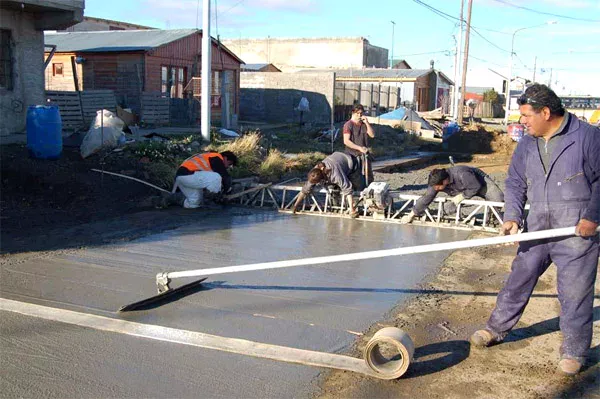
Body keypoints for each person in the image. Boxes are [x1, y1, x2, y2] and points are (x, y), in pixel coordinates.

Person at [469, 84, 600, 376]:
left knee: (575, 292)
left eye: (526, 115)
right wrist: (512, 216)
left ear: (546, 112)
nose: (522, 122)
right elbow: (515, 181)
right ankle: (496, 328)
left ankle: (574, 350)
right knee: (519, 279)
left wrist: (592, 217)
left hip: (576, 230)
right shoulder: (528, 143)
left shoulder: (588, 138)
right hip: (538, 225)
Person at [401, 166, 504, 224]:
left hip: (479, 183)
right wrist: (411, 214)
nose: (435, 189)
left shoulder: (462, 173)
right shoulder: (436, 181)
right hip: (459, 188)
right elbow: (427, 198)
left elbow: (475, 186)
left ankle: (493, 219)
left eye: (438, 188)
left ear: (445, 181)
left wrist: (463, 196)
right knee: (449, 206)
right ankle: (439, 215)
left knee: (497, 199)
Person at [291, 152, 363, 217]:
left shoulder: (335, 175)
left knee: (356, 187)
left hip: (350, 163)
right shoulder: (315, 172)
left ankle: (356, 206)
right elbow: (305, 190)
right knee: (333, 188)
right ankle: (337, 206)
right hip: (335, 159)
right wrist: (295, 205)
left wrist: (352, 211)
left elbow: (347, 188)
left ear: (321, 179)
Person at [173, 150, 238, 209]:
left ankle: (173, 200)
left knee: (194, 202)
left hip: (181, 177)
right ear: (225, 158)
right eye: (229, 164)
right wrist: (227, 191)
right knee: (216, 177)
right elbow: (225, 176)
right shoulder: (216, 156)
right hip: (188, 174)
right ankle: (211, 202)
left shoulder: (209, 158)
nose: (228, 167)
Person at [343, 104, 375, 189]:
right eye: (358, 113)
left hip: (364, 155)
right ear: (353, 113)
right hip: (352, 155)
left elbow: (372, 135)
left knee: (369, 176)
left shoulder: (364, 124)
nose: (360, 115)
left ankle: (369, 191)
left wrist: (367, 123)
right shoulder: (348, 125)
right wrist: (359, 148)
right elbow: (346, 141)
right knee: (355, 177)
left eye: (361, 113)